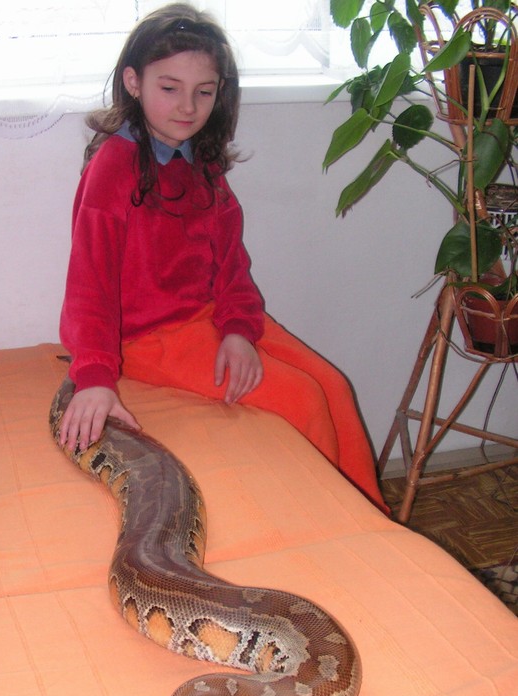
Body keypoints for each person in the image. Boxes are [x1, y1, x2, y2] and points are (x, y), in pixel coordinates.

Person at [57, 2, 386, 511]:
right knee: (302, 399)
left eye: (204, 92)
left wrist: (238, 329)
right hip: (149, 337)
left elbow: (231, 263)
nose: (188, 107)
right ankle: (335, 520)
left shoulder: (200, 160)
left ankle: (370, 519)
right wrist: (95, 377)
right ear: (133, 82)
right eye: (170, 88)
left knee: (334, 387)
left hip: (210, 316)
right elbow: (89, 283)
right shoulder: (114, 166)